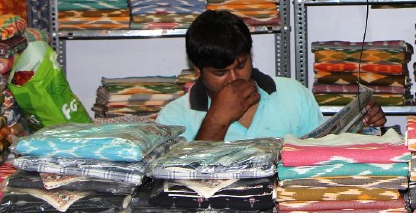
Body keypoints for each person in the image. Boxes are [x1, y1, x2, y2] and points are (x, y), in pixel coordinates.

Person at [157, 10, 386, 141]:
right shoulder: (173, 118)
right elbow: (180, 186)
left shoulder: (293, 94)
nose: (235, 79)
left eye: (241, 65)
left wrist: (362, 128)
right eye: (220, 73)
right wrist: (217, 120)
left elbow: (322, 160)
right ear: (198, 70)